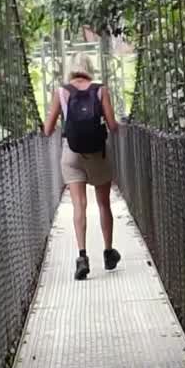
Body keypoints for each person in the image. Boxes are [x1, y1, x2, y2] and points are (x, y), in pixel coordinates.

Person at [42, 53, 120, 280]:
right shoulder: (100, 89)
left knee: (79, 205)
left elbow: (47, 130)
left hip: (71, 153)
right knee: (104, 204)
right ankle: (108, 253)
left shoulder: (61, 92)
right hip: (97, 153)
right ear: (89, 68)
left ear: (71, 69)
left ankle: (82, 257)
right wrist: (118, 126)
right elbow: (113, 126)